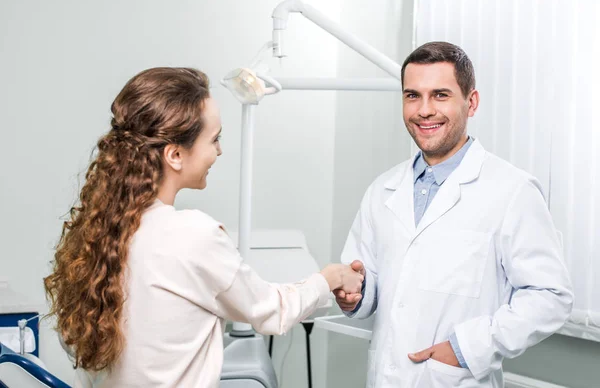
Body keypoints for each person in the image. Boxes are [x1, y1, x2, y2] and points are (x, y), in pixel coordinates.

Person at [43, 67, 364, 388]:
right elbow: (272, 311)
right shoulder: (192, 235)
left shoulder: (103, 231)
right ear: (175, 154)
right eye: (214, 139)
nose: (219, 151)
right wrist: (331, 277)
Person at [335, 42, 573, 387]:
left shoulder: (512, 191)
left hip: (454, 378)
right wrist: (355, 293)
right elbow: (371, 282)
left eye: (441, 95)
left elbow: (551, 296)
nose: (424, 110)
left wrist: (466, 348)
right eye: (412, 96)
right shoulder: (382, 189)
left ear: (471, 102)